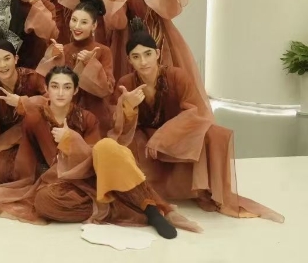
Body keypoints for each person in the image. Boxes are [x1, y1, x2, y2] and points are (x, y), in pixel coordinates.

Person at [0, 66, 196, 239]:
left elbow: (91, 161)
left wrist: (71, 140)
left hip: (91, 178)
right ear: (47, 89)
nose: (60, 92)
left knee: (105, 147)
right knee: (43, 202)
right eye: (55, 86)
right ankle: (121, 209)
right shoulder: (34, 118)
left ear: (75, 90)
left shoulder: (87, 118)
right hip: (62, 182)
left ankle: (151, 208)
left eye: (67, 87)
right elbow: (29, 156)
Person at [111, 21, 284, 222]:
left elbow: (193, 111)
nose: (143, 62)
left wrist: (162, 138)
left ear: (157, 54)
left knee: (214, 134)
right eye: (136, 57)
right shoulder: (126, 83)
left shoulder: (177, 76)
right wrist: (129, 107)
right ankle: (146, 195)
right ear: (129, 60)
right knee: (123, 146)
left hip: (177, 130)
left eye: (147, 54)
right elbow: (119, 125)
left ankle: (206, 191)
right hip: (142, 135)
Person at [37, 0, 115, 135]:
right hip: (65, 113)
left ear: (94, 26)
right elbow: (46, 84)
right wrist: (53, 58)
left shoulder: (103, 51)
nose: (77, 26)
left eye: (84, 22)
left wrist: (91, 64)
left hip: (95, 115)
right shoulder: (65, 49)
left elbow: (107, 89)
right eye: (74, 20)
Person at [0, 28, 47, 185]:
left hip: (37, 136)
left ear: (16, 59)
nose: (3, 65)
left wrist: (23, 102)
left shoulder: (32, 78)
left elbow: (52, 101)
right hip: (11, 140)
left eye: (7, 58)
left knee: (40, 169)